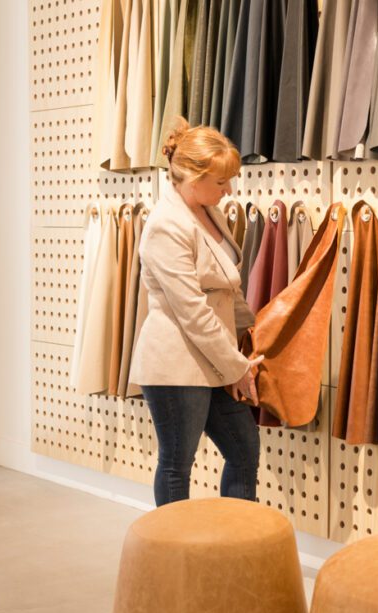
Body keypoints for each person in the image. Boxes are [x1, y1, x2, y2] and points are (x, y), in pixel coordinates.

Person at [129, 117, 263, 506]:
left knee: (244, 447)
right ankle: (175, 560)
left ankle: (237, 544)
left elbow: (225, 292)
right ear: (191, 176)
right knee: (177, 464)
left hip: (213, 360)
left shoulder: (207, 211)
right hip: (177, 365)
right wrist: (236, 366)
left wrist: (255, 332)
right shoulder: (166, 225)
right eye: (221, 182)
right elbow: (192, 311)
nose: (229, 189)